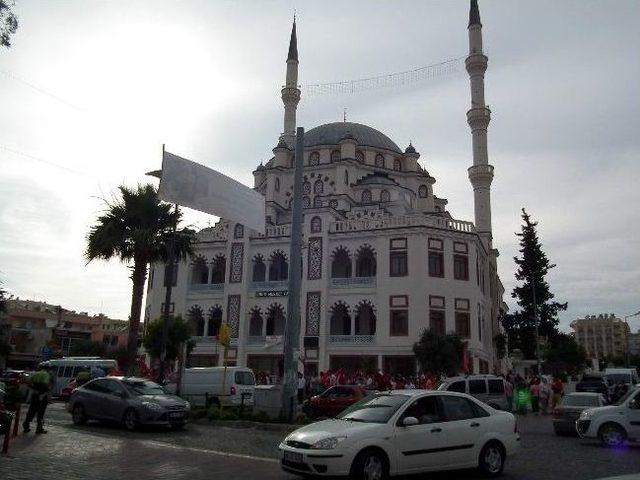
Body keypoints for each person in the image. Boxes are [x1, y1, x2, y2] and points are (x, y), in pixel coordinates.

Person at [23, 365, 53, 434]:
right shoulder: (46, 374)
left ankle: (26, 424)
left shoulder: (36, 373)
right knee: (41, 412)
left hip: (35, 395)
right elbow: (45, 385)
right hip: (42, 395)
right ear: (47, 369)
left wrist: (34, 388)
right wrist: (47, 390)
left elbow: (29, 382)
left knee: (32, 410)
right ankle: (39, 428)